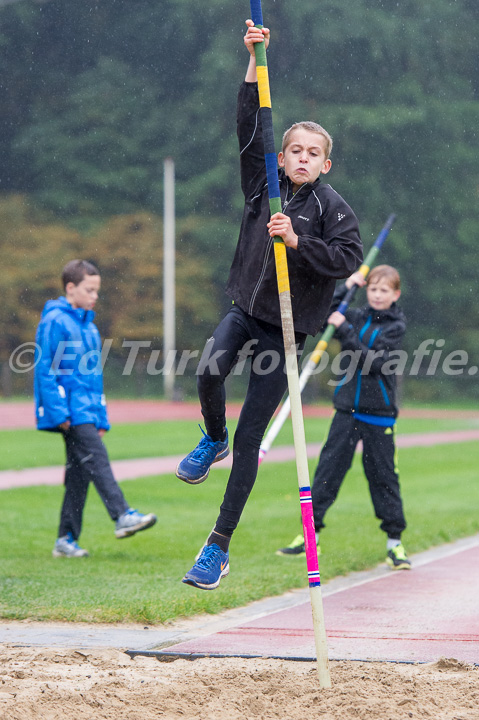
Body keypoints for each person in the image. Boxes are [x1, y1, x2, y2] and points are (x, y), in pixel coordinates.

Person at [175, 20, 363, 590]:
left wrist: (298, 243)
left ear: (325, 163)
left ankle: (217, 547)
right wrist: (253, 60)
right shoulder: (264, 187)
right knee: (209, 371)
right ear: (283, 159)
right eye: (295, 151)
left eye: (313, 154)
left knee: (254, 440)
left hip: (285, 333)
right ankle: (212, 435)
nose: (302, 158)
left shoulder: (332, 208)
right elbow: (248, 125)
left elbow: (348, 259)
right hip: (245, 310)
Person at [277, 264, 410, 570]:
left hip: (379, 414)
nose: (377, 295)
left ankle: (395, 543)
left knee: (383, 478)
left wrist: (345, 330)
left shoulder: (395, 326)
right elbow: (324, 312)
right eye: (373, 289)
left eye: (384, 290)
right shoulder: (357, 314)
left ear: (395, 294)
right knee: (328, 471)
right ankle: (310, 536)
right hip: (347, 409)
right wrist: (345, 287)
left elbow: (373, 363)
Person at [34, 259, 157, 558]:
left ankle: (65, 540)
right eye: (89, 290)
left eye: (97, 291)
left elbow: (94, 378)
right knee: (97, 461)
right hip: (71, 413)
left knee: (79, 475)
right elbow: (44, 369)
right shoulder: (54, 321)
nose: (95, 296)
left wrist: (101, 416)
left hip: (87, 412)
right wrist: (59, 413)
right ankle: (121, 515)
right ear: (71, 288)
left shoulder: (89, 327)